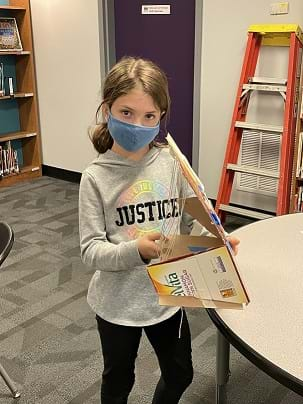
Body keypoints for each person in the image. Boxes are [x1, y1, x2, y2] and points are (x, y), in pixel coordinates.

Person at [79, 56, 240, 404]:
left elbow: (192, 214)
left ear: (160, 117)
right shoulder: (95, 177)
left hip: (167, 294)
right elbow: (90, 250)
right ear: (107, 108)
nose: (138, 124)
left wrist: (216, 239)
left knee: (181, 372)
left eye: (149, 116)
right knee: (119, 381)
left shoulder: (170, 162)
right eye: (126, 113)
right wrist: (135, 250)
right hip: (116, 304)